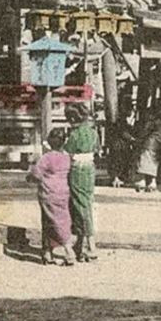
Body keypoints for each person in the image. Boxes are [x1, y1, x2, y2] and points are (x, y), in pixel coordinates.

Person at [27, 128, 75, 266]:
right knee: (62, 219)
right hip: (63, 192)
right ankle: (47, 251)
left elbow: (36, 174)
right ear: (63, 142)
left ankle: (67, 250)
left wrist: (29, 177)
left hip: (48, 193)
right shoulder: (66, 157)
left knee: (51, 221)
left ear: (49, 142)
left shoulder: (46, 158)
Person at [63, 105, 99, 262]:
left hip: (78, 168)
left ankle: (91, 245)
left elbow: (67, 151)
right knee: (87, 202)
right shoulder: (93, 132)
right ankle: (83, 243)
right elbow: (97, 149)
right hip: (90, 167)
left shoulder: (75, 134)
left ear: (72, 119)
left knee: (80, 205)